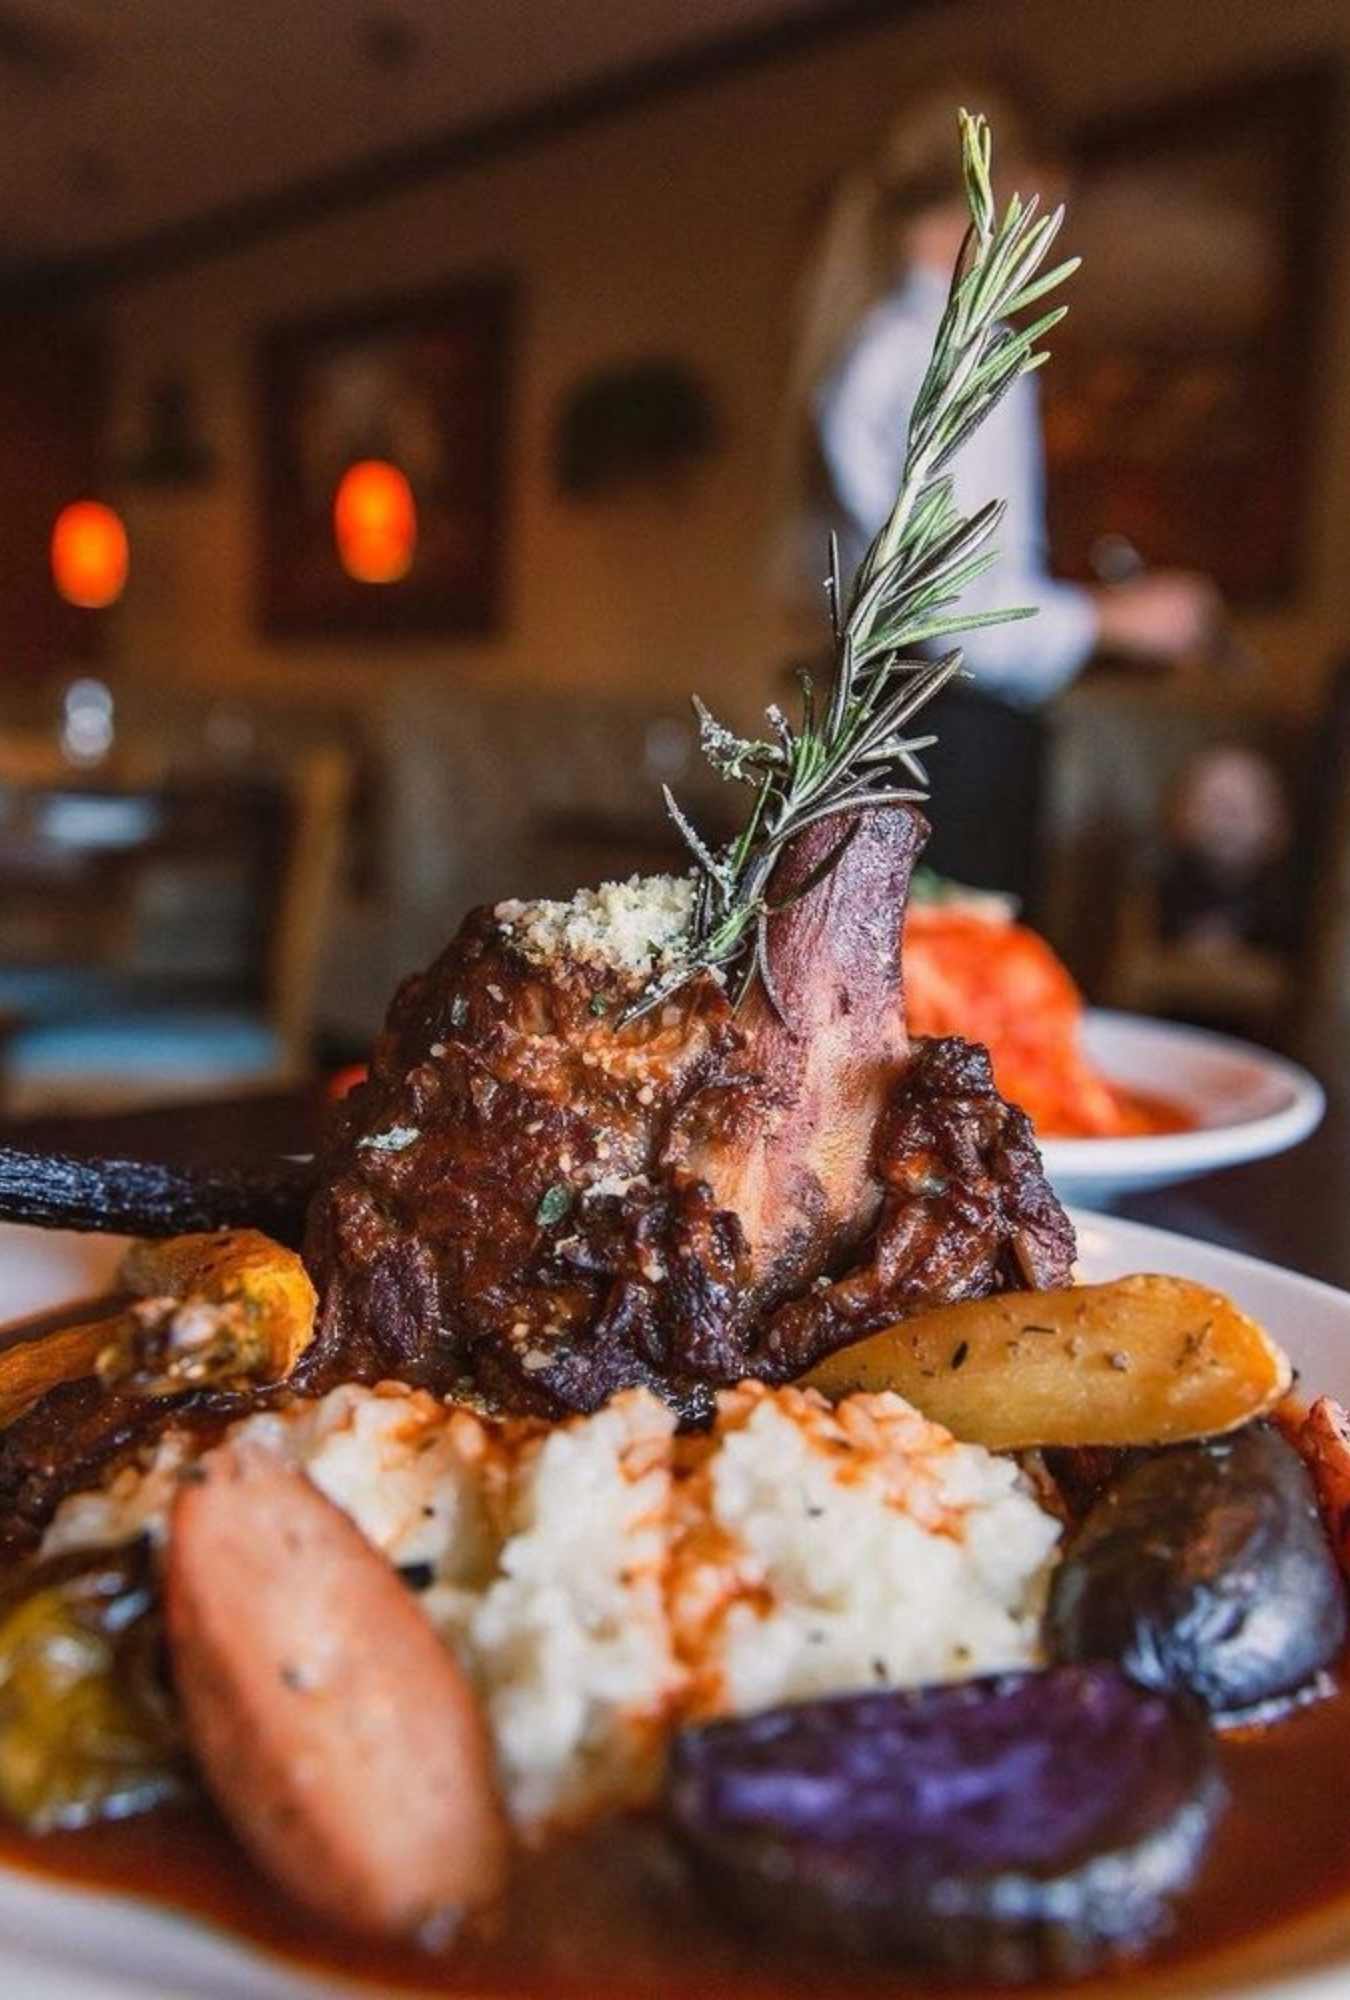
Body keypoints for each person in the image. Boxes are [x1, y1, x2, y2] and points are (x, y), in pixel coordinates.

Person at [780, 75, 1219, 908]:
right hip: (952, 740)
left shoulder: (866, 348)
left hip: (870, 721)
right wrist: (1122, 618)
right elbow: (964, 616)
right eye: (1046, 221)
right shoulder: (960, 352)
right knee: (962, 998)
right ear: (1000, 198)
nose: (1046, 254)